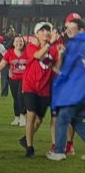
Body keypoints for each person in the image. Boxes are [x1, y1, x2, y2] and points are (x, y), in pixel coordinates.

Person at [19, 22, 60, 158]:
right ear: (36, 34)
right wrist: (51, 43)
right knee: (31, 115)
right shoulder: (31, 47)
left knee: (39, 119)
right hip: (30, 86)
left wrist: (60, 55)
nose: (46, 33)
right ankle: (30, 148)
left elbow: (55, 69)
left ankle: (26, 139)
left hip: (44, 89)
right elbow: (37, 56)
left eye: (47, 30)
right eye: (42, 31)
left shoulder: (54, 49)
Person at [47, 17, 85, 161]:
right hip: (80, 90)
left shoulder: (77, 44)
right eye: (67, 27)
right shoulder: (76, 44)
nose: (67, 30)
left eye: (71, 28)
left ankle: (58, 151)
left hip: (77, 90)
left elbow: (66, 70)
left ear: (81, 29)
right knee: (76, 121)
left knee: (62, 118)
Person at [0, 36, 27, 126]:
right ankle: (17, 118)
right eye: (17, 41)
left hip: (25, 79)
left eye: (21, 41)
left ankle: (23, 117)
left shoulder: (27, 53)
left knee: (20, 97)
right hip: (13, 79)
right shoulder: (9, 53)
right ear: (13, 43)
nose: (19, 43)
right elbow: (2, 64)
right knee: (15, 98)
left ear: (24, 43)